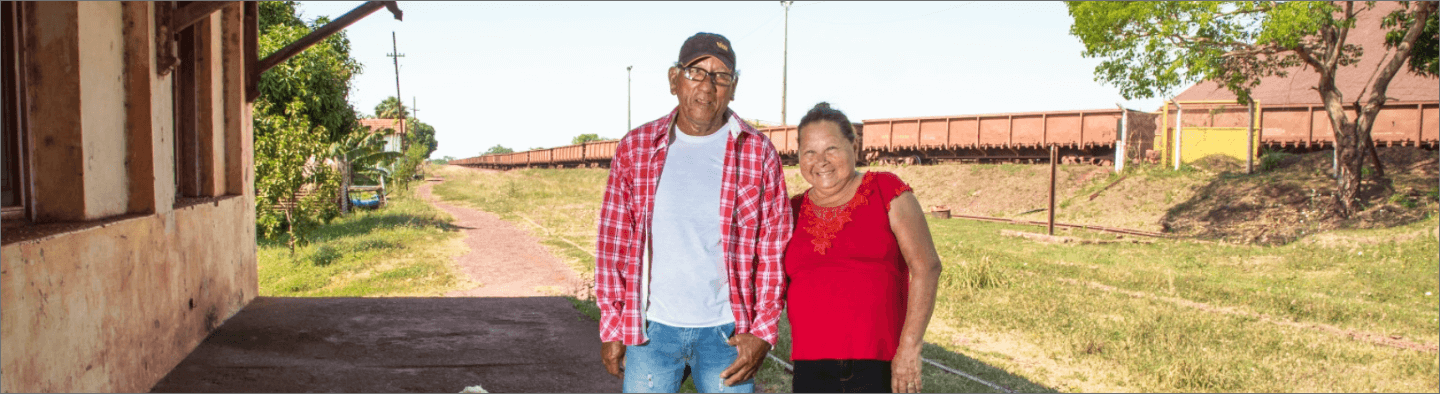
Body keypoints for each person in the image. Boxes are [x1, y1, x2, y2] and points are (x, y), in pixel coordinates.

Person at [595, 32, 792, 393]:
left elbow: (772, 250)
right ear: (674, 80)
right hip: (651, 332)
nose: (707, 85)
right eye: (696, 72)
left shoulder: (757, 151)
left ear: (733, 87)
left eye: (721, 76)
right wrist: (613, 325)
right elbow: (613, 245)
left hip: (727, 334)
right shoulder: (636, 148)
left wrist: (763, 332)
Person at [784, 102, 943, 393]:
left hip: (879, 363)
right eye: (809, 152)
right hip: (810, 367)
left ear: (853, 147)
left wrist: (909, 349)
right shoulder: (791, 210)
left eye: (831, 148)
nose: (821, 160)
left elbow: (927, 267)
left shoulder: (886, 189)